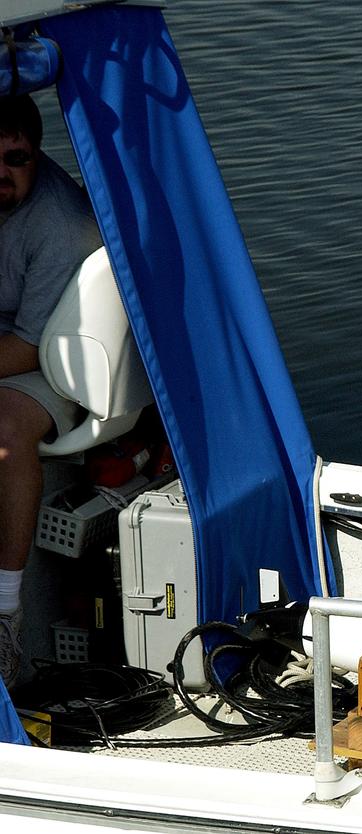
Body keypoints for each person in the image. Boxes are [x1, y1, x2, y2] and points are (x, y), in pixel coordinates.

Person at [0, 94, 102, 685]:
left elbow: (27, 348)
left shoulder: (57, 224)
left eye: (16, 158)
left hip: (56, 357)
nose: (3, 174)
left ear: (35, 155)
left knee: (5, 435)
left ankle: (6, 614)